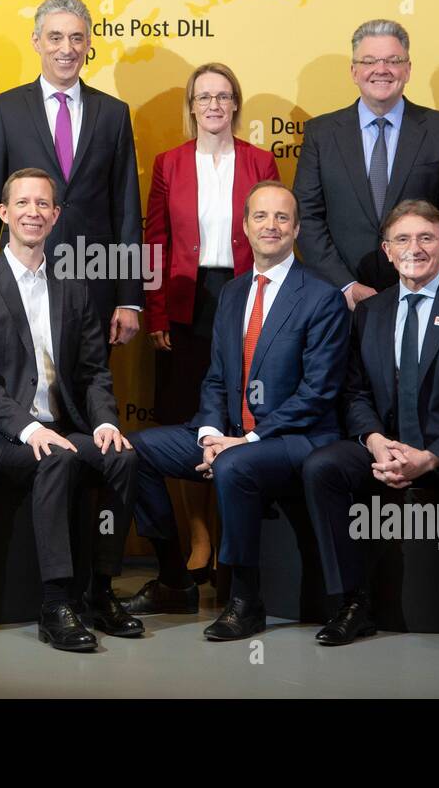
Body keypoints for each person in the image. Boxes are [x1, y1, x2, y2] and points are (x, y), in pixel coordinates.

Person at [301, 199, 439, 665]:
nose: (414, 248)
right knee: (322, 467)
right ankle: (353, 602)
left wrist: (431, 456)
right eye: (402, 239)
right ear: (387, 251)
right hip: (387, 445)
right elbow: (354, 393)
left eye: (426, 238)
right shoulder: (370, 312)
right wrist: (374, 441)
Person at [124, 181, 350, 641]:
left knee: (234, 466)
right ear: (244, 226)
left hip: (296, 437)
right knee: (138, 450)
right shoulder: (231, 294)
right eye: (261, 217)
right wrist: (210, 432)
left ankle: (245, 601)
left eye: (282, 218)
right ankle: (173, 579)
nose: (271, 226)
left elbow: (318, 393)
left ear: (297, 229)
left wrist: (244, 441)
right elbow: (215, 378)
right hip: (226, 432)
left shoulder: (322, 297)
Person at [0, 168, 141, 652]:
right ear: (4, 213)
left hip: (67, 424)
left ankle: (100, 590)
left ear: (56, 216)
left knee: (121, 455)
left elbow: (95, 371)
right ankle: (55, 603)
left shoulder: (73, 287)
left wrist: (104, 422)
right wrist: (28, 430)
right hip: (6, 437)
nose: (32, 212)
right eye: (22, 203)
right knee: (55, 457)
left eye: (43, 204)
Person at [144, 62, 278, 581]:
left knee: (237, 417)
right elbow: (154, 240)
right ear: (191, 106)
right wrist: (155, 308)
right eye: (205, 97)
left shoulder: (260, 161)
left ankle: (232, 542)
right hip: (185, 300)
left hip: (247, 294)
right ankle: (199, 541)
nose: (215, 105)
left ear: (236, 104)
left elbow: (275, 234)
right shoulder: (169, 163)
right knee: (187, 419)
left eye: (224, 96)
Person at [0, 0, 142, 346]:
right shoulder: (5, 109)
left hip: (95, 281)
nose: (67, 48)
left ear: (89, 44)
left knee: (86, 392)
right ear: (37, 41)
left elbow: (126, 210)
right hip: (19, 281)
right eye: (55, 37)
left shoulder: (113, 114)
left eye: (77, 38)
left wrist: (129, 297)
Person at [294, 19, 439, 310]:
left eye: (393, 60)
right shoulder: (321, 134)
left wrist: (421, 277)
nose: (381, 69)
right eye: (370, 60)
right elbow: (308, 217)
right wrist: (345, 285)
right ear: (354, 71)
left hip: (419, 296)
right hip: (339, 301)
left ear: (408, 69)